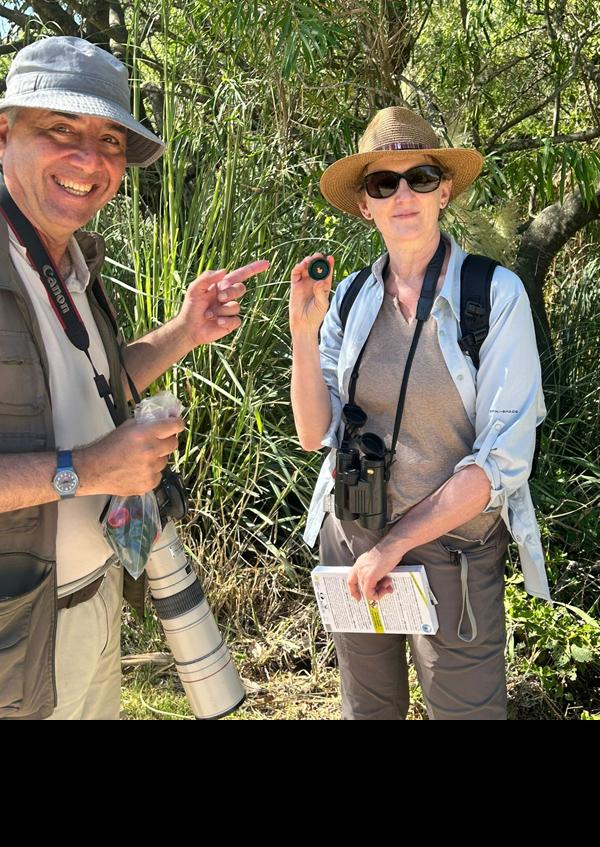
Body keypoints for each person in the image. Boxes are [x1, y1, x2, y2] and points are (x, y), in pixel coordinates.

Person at [0, 36, 268, 721]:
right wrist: (87, 470)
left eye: (110, 140)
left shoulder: (71, 262)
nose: (90, 161)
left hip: (95, 602)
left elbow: (95, 386)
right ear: (4, 134)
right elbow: (85, 457)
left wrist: (185, 330)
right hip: (17, 640)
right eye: (62, 129)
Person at [289, 105, 550, 721]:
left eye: (421, 177)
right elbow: (312, 432)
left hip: (454, 548)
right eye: (384, 182)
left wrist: (398, 544)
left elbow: (502, 462)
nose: (403, 194)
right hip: (355, 535)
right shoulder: (350, 297)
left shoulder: (494, 294)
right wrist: (303, 333)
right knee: (368, 710)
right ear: (365, 204)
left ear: (445, 190)